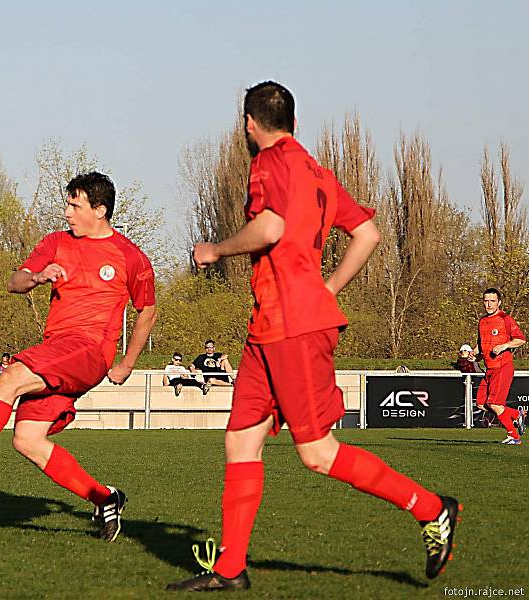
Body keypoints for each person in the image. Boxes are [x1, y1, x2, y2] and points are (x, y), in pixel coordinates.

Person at [167, 82, 460, 592]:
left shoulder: (269, 161)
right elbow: (366, 233)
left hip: (293, 327)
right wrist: (327, 287)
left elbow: (271, 227)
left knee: (317, 453)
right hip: (271, 328)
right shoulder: (318, 171)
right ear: (295, 122)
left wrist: (215, 249)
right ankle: (231, 568)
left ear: (249, 124)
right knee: (240, 440)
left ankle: (432, 509)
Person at [0, 172, 156, 543]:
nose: (68, 212)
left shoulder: (130, 256)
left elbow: (148, 311)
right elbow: (15, 281)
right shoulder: (56, 243)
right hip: (58, 348)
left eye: (76, 205)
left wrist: (126, 363)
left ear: (100, 210)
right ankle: (105, 498)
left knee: (10, 377)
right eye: (68, 203)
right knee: (27, 439)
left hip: (90, 349)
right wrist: (38, 276)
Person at [472, 288, 527, 444]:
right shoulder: (482, 321)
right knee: (482, 404)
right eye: (486, 301)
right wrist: (474, 354)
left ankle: (514, 437)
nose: (488, 304)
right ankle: (517, 415)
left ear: (499, 302)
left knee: (495, 404)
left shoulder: (505, 319)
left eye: (492, 301)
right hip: (489, 368)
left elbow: (521, 339)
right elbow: (480, 345)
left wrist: (504, 346)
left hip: (503, 367)